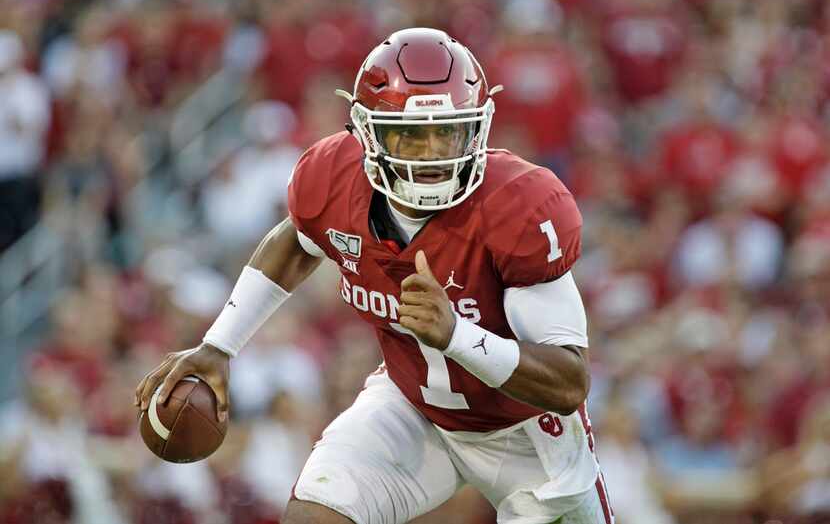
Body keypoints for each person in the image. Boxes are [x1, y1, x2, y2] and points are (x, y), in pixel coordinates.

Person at [135, 28, 613, 524]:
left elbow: (567, 383)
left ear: (476, 130)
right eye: (411, 134)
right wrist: (219, 345)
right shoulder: (334, 179)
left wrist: (456, 336)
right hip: (414, 407)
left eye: (446, 132)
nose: (431, 156)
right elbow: (296, 243)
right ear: (368, 132)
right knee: (313, 516)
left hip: (527, 433)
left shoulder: (519, 205)